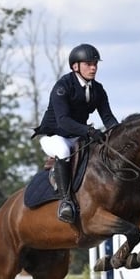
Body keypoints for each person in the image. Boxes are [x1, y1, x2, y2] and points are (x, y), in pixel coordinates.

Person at [33, 43, 119, 223]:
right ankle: (65, 202)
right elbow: (63, 120)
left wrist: (118, 133)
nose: (93, 67)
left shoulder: (98, 89)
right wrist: (89, 130)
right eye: (88, 64)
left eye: (95, 63)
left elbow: (108, 117)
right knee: (64, 151)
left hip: (78, 136)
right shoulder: (63, 87)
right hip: (54, 136)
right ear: (75, 66)